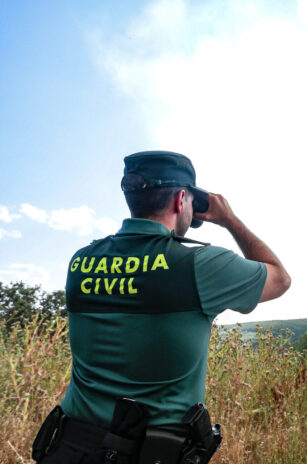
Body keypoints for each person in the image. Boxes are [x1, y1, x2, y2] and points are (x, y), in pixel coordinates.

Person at [32, 151, 291, 464]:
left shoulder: (82, 260)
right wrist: (229, 221)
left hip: (69, 449)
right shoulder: (199, 264)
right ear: (182, 200)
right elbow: (279, 279)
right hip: (150, 454)